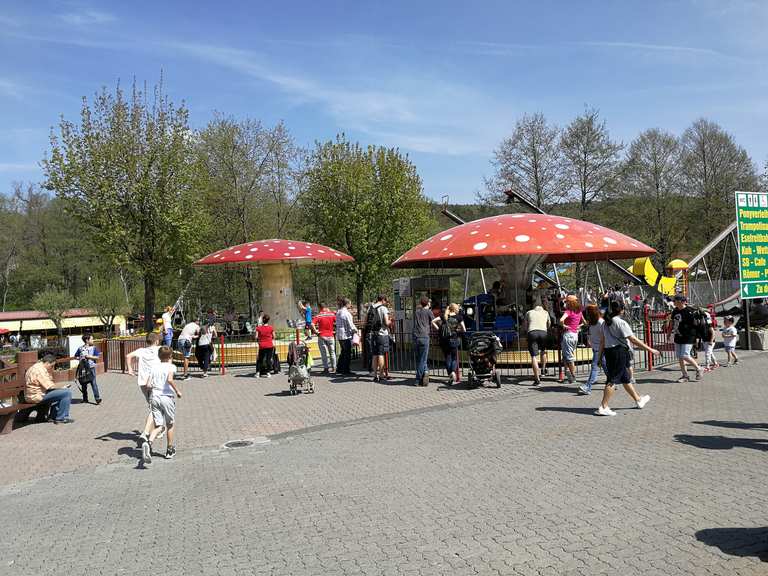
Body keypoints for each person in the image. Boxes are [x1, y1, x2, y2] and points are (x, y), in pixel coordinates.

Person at [596, 301, 659, 416]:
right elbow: (633, 339)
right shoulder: (620, 322)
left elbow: (602, 341)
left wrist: (599, 356)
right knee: (612, 380)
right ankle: (603, 406)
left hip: (609, 352)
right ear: (621, 310)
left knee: (625, 378)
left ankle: (638, 400)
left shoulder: (605, 323)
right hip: (618, 352)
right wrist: (650, 349)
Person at [142, 346, 182, 463]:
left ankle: (148, 443)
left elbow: (148, 384)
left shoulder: (154, 367)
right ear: (170, 356)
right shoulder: (171, 367)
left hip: (155, 397)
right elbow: (170, 379)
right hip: (166, 397)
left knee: (158, 426)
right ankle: (169, 450)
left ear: (159, 356)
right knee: (170, 424)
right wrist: (177, 391)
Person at [126, 332, 162, 443]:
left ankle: (156, 430)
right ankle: (146, 433)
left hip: (143, 382)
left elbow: (128, 356)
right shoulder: (159, 349)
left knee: (152, 406)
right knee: (154, 408)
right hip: (154, 382)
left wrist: (130, 369)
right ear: (157, 341)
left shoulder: (141, 351)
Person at [24, 354, 74, 424]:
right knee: (67, 393)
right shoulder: (40, 370)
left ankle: (53, 416)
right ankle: (61, 418)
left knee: (60, 393)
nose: (52, 368)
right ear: (47, 363)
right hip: (36, 396)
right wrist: (62, 387)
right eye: (52, 366)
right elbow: (50, 386)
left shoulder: (37, 367)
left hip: (32, 394)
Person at [670, 295, 702, 382]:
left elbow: (696, 325)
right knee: (680, 357)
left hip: (688, 336)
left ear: (682, 301)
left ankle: (699, 368)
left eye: (676, 300)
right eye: (674, 300)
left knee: (685, 355)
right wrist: (669, 333)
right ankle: (685, 376)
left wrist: (697, 338)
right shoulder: (675, 310)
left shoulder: (689, 311)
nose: (674, 302)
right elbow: (672, 322)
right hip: (678, 336)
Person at [431, 303, 465, 385]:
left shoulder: (444, 316)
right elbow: (464, 329)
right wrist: (457, 330)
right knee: (454, 358)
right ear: (455, 309)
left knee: (447, 358)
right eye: (457, 308)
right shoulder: (459, 317)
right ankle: (453, 371)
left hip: (444, 340)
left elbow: (433, 321)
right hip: (454, 339)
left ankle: (450, 374)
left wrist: (439, 329)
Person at [580, 304, 606, 395]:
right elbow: (590, 333)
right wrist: (589, 340)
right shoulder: (592, 322)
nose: (587, 315)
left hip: (600, 348)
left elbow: (604, 336)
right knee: (604, 365)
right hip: (595, 347)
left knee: (594, 366)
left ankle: (588, 386)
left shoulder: (601, 322)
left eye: (588, 313)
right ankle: (612, 380)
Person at [525, 300, 551, 386]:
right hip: (543, 332)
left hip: (532, 332)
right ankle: (543, 370)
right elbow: (549, 323)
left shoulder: (529, 312)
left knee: (533, 356)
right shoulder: (546, 312)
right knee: (543, 351)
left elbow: (526, 325)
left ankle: (537, 379)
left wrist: (527, 332)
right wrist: (545, 328)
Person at [559, 295, 584, 384]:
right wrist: (578, 326)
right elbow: (584, 322)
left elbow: (561, 320)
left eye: (567, 302)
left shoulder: (568, 311)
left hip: (568, 335)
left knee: (569, 358)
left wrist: (564, 325)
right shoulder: (579, 312)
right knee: (566, 356)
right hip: (575, 335)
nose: (566, 303)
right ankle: (569, 376)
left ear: (570, 303)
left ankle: (573, 377)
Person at [368, 294, 391, 382]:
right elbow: (386, 322)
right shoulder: (383, 308)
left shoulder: (371, 307)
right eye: (386, 301)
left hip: (373, 334)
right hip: (382, 334)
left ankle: (375, 375)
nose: (386, 302)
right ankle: (381, 374)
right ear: (383, 300)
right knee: (381, 354)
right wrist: (390, 321)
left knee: (374, 354)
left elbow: (366, 321)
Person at [75, 334, 102, 404]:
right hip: (83, 368)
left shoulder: (94, 348)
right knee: (83, 383)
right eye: (91, 339)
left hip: (91, 368)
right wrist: (80, 358)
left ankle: (97, 398)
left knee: (93, 383)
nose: (93, 340)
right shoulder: (80, 348)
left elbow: (97, 357)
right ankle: (85, 399)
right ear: (87, 340)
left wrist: (89, 357)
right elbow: (76, 356)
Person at [413, 296, 433, 386]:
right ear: (428, 303)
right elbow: (433, 321)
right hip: (424, 336)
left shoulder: (417, 312)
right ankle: (418, 379)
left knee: (419, 359)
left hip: (416, 336)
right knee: (423, 359)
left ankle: (425, 372)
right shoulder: (429, 312)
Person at [335, 298, 358, 376]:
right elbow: (351, 324)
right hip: (345, 335)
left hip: (339, 334)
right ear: (347, 304)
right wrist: (356, 331)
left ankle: (339, 368)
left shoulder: (338, 312)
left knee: (343, 352)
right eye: (350, 304)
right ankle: (346, 370)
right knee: (347, 353)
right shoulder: (346, 313)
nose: (350, 305)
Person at [312, 303, 337, 374]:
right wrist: (335, 330)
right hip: (331, 336)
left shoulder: (319, 315)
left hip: (322, 336)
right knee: (332, 353)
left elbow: (312, 324)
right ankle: (334, 368)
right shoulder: (332, 314)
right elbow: (337, 322)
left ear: (319, 307)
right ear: (326, 306)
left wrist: (316, 332)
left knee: (324, 353)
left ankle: (326, 368)